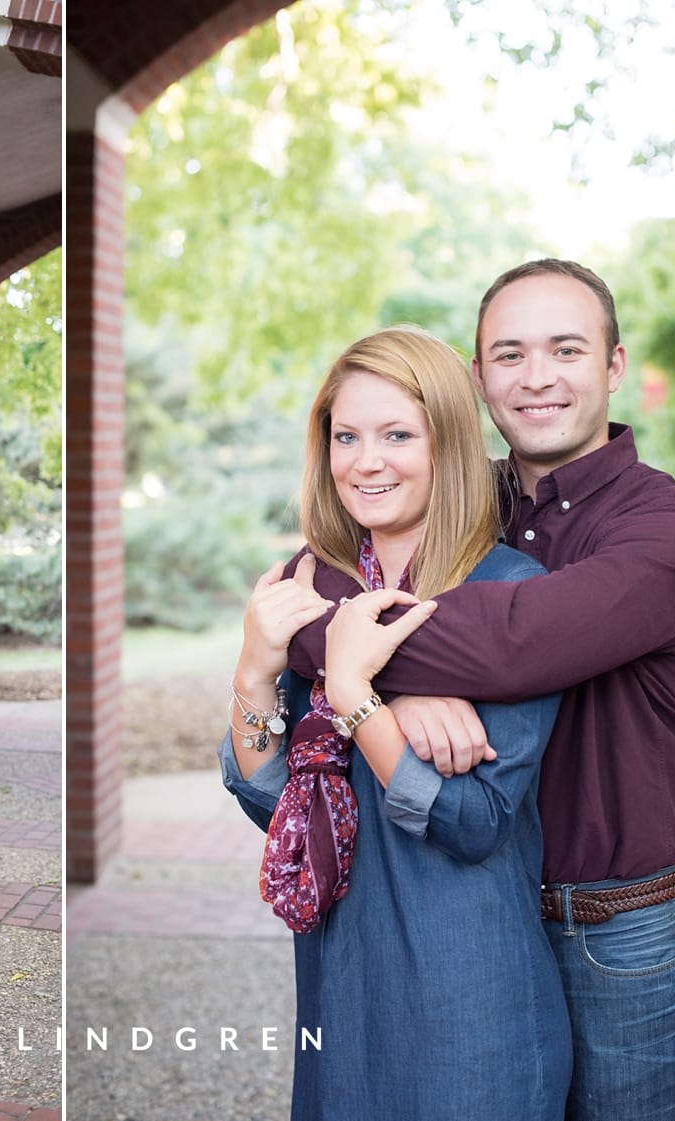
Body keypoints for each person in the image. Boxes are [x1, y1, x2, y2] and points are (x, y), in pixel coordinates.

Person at [279, 260, 675, 1121]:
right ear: (476, 379)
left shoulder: (664, 531)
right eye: (509, 354)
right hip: (472, 910)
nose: (537, 376)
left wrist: (358, 672)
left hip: (611, 921)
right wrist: (379, 684)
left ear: (615, 365)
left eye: (566, 348)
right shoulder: (448, 489)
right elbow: (310, 584)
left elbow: (510, 646)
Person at [224, 325, 571, 1120]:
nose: (365, 460)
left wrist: (355, 692)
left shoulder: (512, 589)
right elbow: (267, 798)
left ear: (447, 443)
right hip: (341, 981)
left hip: (468, 996)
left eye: (396, 435)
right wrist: (252, 667)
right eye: (346, 435)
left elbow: (472, 820)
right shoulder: (306, 586)